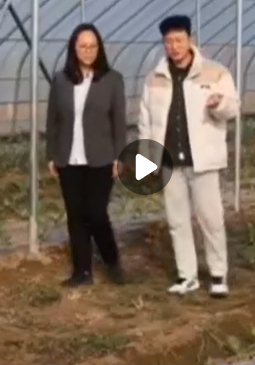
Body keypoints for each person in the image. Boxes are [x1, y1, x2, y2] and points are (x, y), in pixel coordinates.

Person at [137, 15, 240, 297]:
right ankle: (187, 276)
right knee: (177, 221)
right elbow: (145, 123)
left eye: (179, 40)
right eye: (168, 41)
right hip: (169, 163)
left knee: (211, 220)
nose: (174, 46)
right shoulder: (155, 79)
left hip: (203, 161)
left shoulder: (215, 72)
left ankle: (218, 275)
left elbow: (233, 109)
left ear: (190, 40)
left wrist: (219, 104)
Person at [46, 23, 128, 287]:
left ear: (99, 48)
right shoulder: (61, 80)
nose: (88, 50)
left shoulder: (112, 80)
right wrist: (51, 154)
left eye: (93, 46)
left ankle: (111, 261)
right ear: (73, 48)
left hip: (101, 158)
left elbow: (119, 121)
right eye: (83, 46)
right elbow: (53, 120)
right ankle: (82, 271)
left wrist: (119, 157)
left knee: (96, 213)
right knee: (75, 215)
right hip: (68, 158)